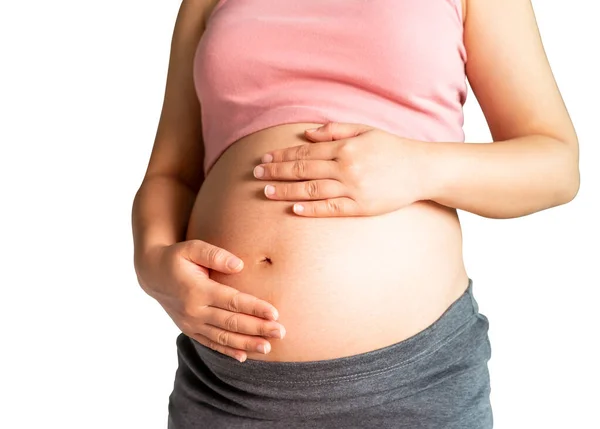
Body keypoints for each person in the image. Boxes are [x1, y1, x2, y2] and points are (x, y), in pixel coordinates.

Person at [131, 0, 580, 427]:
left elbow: (556, 166)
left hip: (410, 386)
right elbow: (170, 175)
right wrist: (151, 261)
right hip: (226, 388)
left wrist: (420, 167)